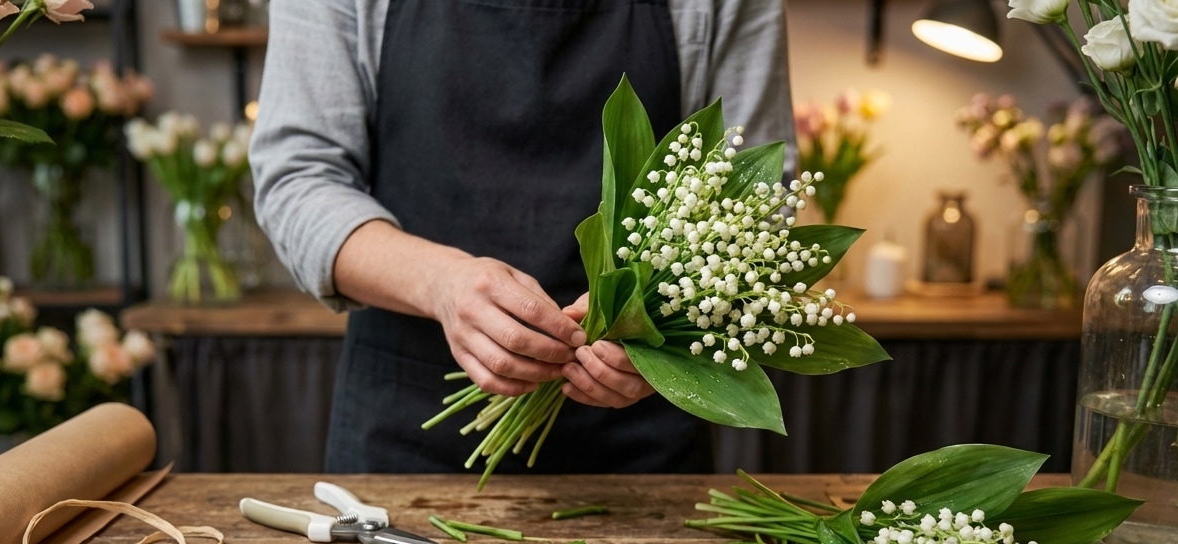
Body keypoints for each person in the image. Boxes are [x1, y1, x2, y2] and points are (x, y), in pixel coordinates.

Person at [250, 0, 794, 474]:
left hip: (641, 444)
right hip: (405, 430)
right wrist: (441, 283)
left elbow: (760, 192)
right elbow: (297, 180)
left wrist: (666, 333)